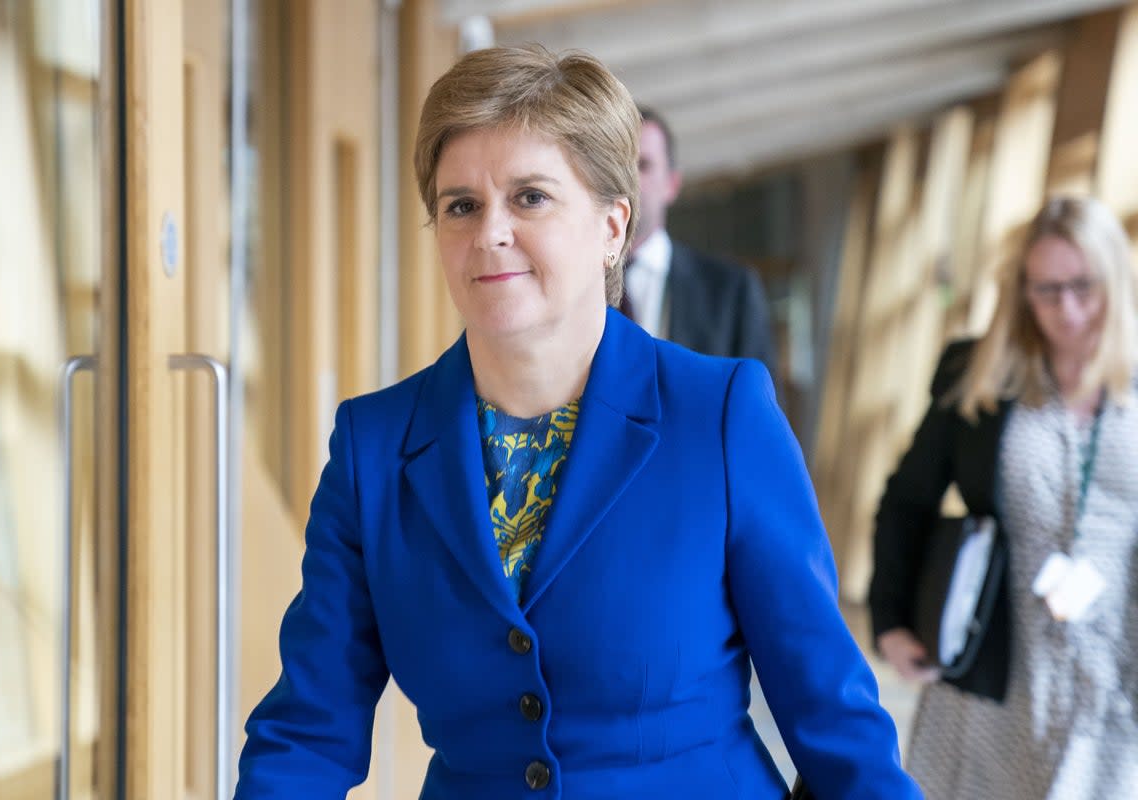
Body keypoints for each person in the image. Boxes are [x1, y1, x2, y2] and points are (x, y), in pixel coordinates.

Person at [235, 44, 918, 799]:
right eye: (461, 205)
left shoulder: (720, 416)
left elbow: (834, 718)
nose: (491, 231)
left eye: (530, 197)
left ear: (612, 227)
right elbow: (308, 729)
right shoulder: (374, 449)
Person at [870, 195, 1138, 798]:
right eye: (1045, 290)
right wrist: (889, 621)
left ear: (1115, 281)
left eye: (1082, 287)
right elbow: (908, 499)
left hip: (1116, 677)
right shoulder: (981, 371)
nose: (1065, 309)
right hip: (996, 670)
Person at [625, 105, 776, 373]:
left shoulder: (731, 290)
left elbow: (761, 409)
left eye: (643, 165)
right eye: (619, 165)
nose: (628, 180)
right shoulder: (574, 282)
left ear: (672, 184)